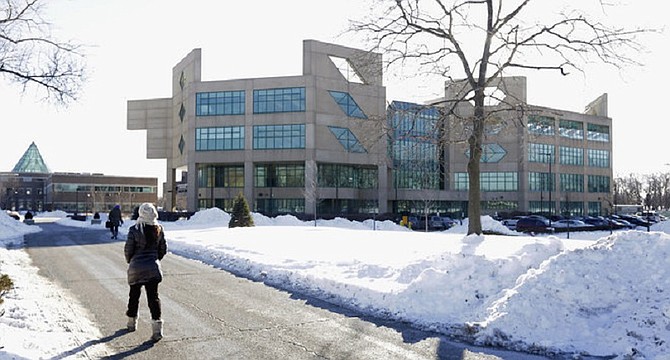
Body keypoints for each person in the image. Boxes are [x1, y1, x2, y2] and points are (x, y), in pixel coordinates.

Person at [124, 203, 167, 341]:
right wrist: (154, 259)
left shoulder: (134, 229)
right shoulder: (159, 230)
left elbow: (128, 250)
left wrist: (131, 261)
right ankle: (157, 329)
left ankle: (131, 323)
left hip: (136, 268)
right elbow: (162, 250)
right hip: (152, 268)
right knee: (153, 298)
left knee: (134, 295)